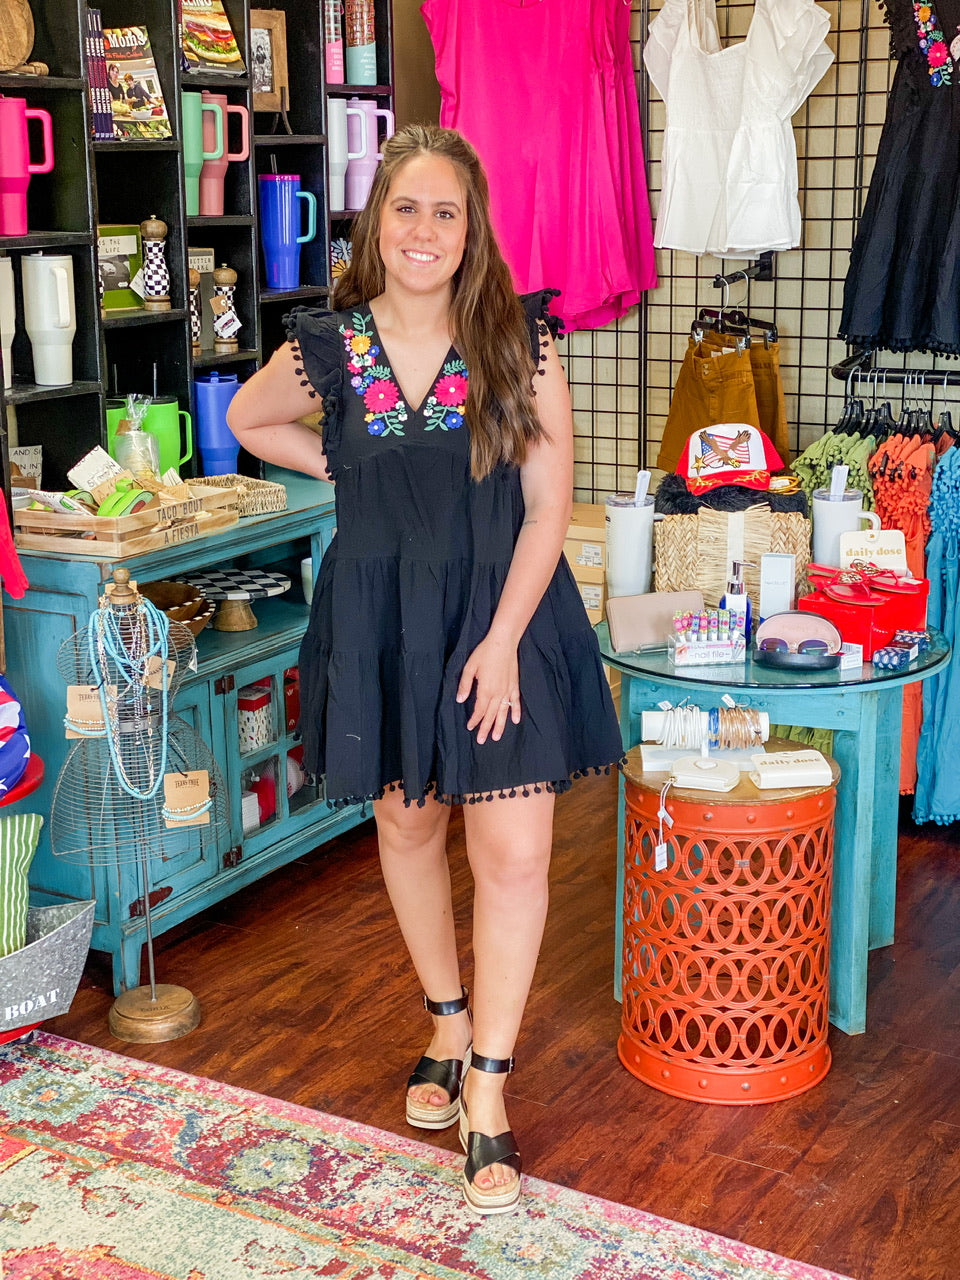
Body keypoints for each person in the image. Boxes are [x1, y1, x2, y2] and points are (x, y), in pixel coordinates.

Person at [227, 124, 623, 1216]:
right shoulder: (329, 345)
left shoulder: (520, 341)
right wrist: (341, 461)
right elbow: (246, 418)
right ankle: (445, 1016)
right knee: (404, 822)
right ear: (376, 221)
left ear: (471, 229)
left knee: (513, 844)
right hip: (383, 614)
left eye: (446, 212)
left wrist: (500, 640)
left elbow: (547, 507)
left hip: (506, 615)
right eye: (407, 207)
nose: (424, 230)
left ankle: (488, 1083)